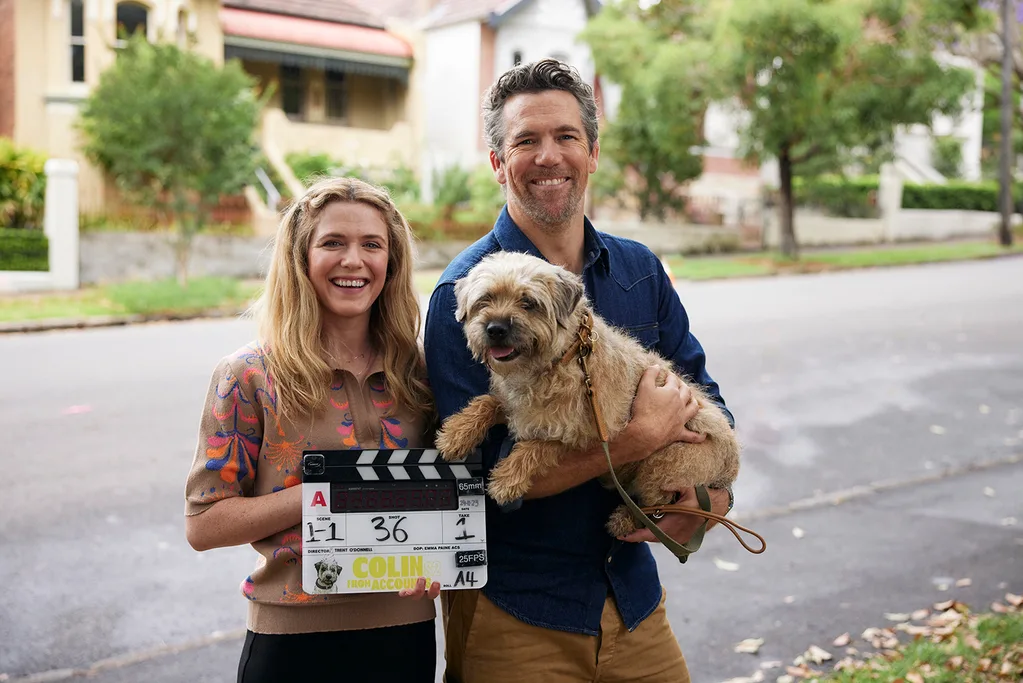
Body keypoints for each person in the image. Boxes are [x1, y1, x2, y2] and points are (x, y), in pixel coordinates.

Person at [424, 59, 735, 683]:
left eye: (566, 137)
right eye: (525, 141)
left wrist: (711, 498)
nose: (548, 157)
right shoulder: (463, 294)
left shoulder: (639, 271)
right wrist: (634, 440)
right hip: (515, 613)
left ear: (592, 153)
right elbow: (473, 482)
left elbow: (709, 403)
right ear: (497, 163)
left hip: (633, 603)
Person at [184, 177, 441, 683]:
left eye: (372, 244)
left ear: (392, 263)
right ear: (301, 258)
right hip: (291, 641)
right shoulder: (248, 375)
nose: (354, 260)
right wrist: (327, 496)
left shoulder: (422, 371)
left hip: (405, 635)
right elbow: (203, 524)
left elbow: (447, 491)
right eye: (332, 243)